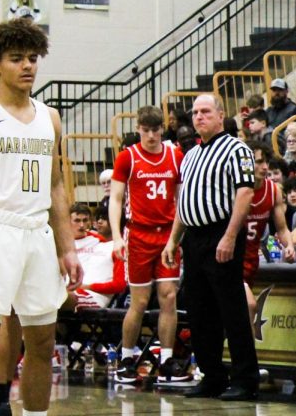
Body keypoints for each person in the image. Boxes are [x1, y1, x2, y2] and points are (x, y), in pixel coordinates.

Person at [0, 19, 82, 416]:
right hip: (0, 227)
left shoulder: (49, 117)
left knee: (43, 341)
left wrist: (67, 248)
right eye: (16, 59)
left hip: (37, 233)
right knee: (1, 338)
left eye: (32, 58)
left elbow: (55, 187)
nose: (27, 66)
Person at [162, 94, 259, 401]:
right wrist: (173, 240)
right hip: (193, 238)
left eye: (206, 112)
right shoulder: (189, 155)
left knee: (231, 309)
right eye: (195, 113)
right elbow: (184, 202)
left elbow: (245, 193)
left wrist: (230, 236)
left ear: (220, 115)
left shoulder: (237, 148)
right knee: (200, 310)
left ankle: (245, 379)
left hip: (221, 233)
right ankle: (212, 375)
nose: (199, 117)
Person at [108, 105, 186, 384]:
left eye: (156, 130)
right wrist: (117, 237)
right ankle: (126, 357)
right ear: (138, 129)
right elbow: (116, 199)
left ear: (162, 130)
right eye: (146, 130)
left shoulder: (175, 156)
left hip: (166, 234)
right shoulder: (127, 158)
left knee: (169, 296)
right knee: (139, 301)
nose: (151, 136)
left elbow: (181, 200)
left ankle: (166, 360)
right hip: (138, 235)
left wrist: (177, 237)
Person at [241, 141, 295, 324]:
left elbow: (282, 228)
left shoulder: (273, 191)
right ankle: (245, 353)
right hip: (231, 260)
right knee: (248, 306)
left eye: (266, 163)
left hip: (252, 260)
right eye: (258, 162)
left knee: (238, 318)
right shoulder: (234, 189)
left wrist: (289, 246)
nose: (264, 167)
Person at [65, 203, 126, 311]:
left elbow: (119, 284)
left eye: (85, 220)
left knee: (56, 299)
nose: (82, 225)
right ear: (68, 222)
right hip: (71, 289)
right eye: (77, 221)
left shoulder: (99, 242)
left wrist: (86, 286)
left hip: (89, 295)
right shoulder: (62, 243)